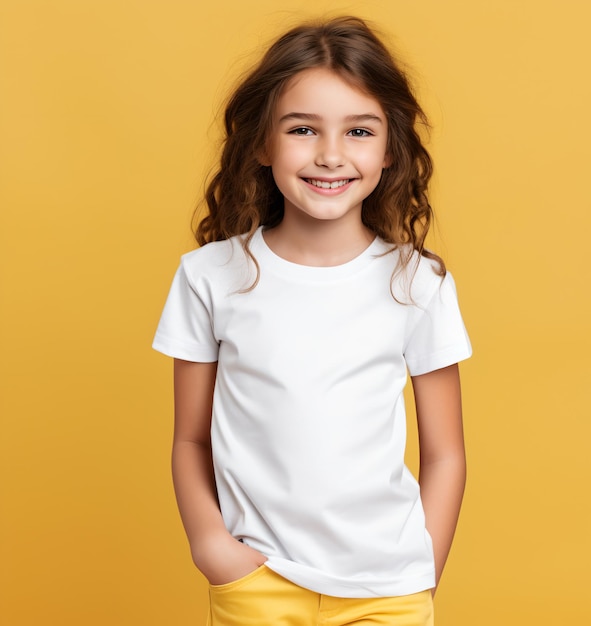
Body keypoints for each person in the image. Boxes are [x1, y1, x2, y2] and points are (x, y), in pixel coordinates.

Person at [153, 15, 472, 626]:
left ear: (388, 149)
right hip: (256, 584)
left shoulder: (417, 283)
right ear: (262, 142)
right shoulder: (209, 276)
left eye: (358, 131)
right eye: (302, 128)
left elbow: (446, 452)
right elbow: (190, 438)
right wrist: (213, 549)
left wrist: (422, 568)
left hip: (389, 590)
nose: (330, 155)